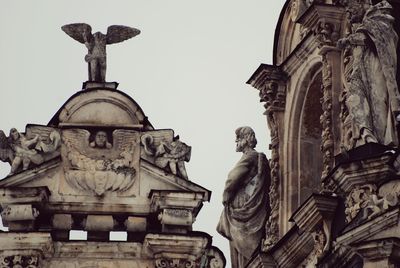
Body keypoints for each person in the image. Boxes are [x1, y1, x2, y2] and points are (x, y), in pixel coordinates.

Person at [338, 0, 400, 148]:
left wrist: (350, 39)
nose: (348, 12)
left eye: (349, 6)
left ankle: (382, 142)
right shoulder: (362, 24)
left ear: (360, 2)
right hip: (360, 71)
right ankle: (366, 137)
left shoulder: (380, 15)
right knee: (353, 99)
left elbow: (383, 37)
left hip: (375, 69)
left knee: (378, 101)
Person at [217, 127, 270, 268]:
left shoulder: (250, 156)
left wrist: (226, 195)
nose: (236, 141)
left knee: (240, 242)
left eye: (239, 138)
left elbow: (233, 177)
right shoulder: (256, 157)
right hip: (249, 204)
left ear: (246, 139)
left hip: (242, 204)